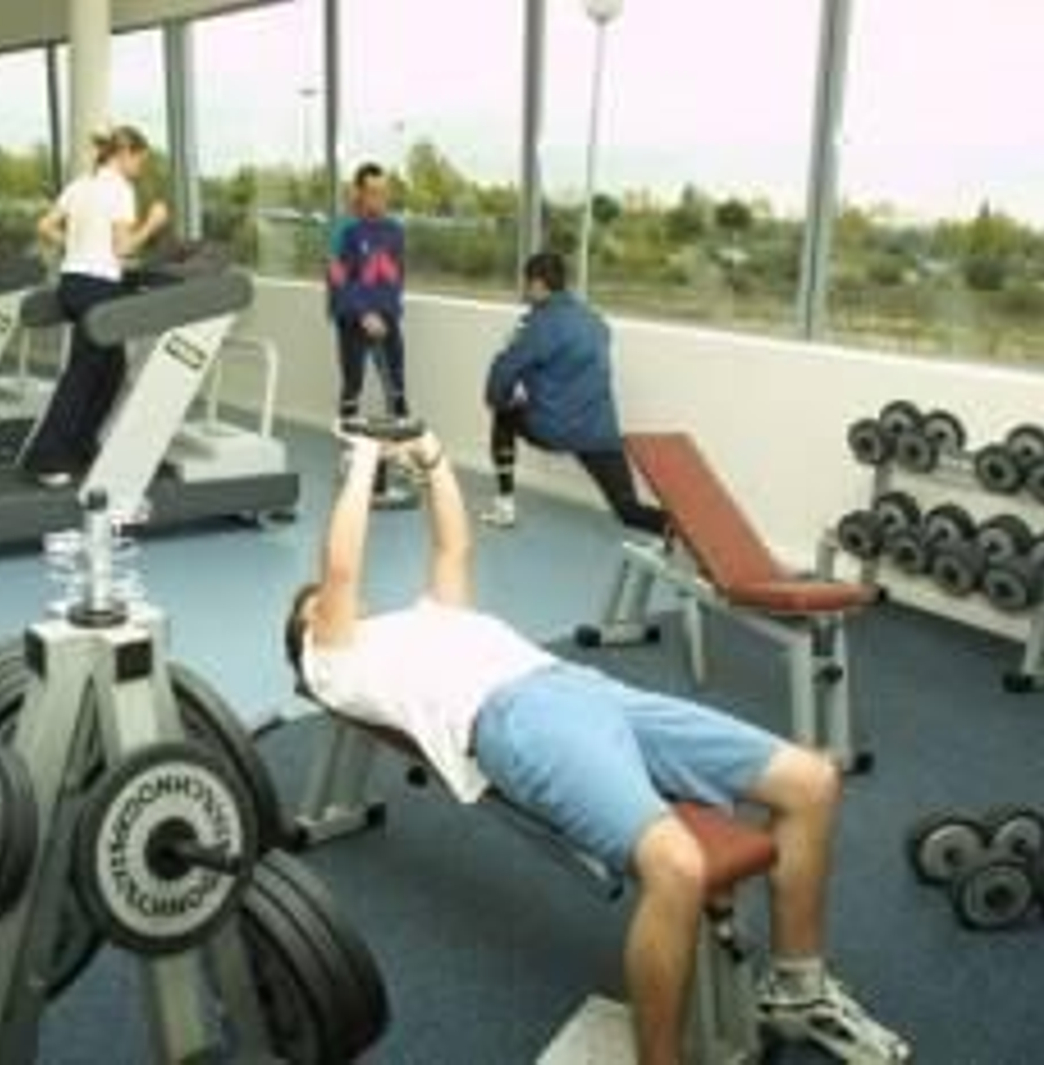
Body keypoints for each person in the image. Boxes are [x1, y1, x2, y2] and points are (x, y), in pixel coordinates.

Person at [282, 427, 910, 1065]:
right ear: (307, 632)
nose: (338, 603)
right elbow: (339, 570)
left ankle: (798, 993)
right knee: (678, 867)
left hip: (586, 687)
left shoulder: (421, 620)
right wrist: (360, 463)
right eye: (318, 607)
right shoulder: (332, 662)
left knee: (811, 781)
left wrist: (432, 456)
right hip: (516, 719)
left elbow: (454, 547)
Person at [21, 125, 170, 488]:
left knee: (111, 369)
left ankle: (80, 445)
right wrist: (152, 223)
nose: (140, 168)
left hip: (71, 284)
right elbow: (123, 249)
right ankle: (46, 458)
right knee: (84, 373)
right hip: (98, 289)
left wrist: (76, 246)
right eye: (140, 160)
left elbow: (44, 226)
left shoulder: (81, 184)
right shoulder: (120, 189)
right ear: (125, 154)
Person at [480, 251, 666, 534]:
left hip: (555, 429)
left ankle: (505, 507)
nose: (526, 292)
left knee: (504, 413)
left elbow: (504, 370)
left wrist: (496, 399)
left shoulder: (538, 324)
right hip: (601, 433)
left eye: (527, 285)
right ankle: (689, 532)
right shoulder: (595, 320)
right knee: (629, 510)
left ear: (539, 285)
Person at [327, 162, 408, 423]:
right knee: (353, 386)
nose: (380, 198)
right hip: (353, 319)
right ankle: (349, 445)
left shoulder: (395, 231)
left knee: (396, 387)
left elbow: (396, 277)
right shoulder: (343, 229)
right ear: (359, 192)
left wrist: (390, 311)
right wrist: (363, 314)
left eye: (384, 192)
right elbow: (337, 279)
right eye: (373, 192)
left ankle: (401, 447)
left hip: (386, 317)